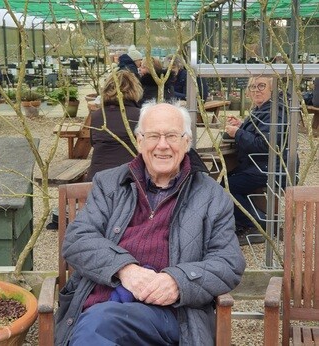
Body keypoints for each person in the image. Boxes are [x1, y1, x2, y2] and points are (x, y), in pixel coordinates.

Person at [55, 101, 246, 346]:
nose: (162, 145)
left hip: (170, 315)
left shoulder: (210, 196)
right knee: (99, 321)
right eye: (153, 135)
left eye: (172, 136)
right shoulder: (110, 183)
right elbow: (78, 239)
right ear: (139, 141)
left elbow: (228, 263)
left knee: (99, 323)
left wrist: (178, 281)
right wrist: (126, 270)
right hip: (101, 301)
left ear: (187, 142)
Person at [224, 76, 293, 244]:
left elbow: (265, 144)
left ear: (272, 90)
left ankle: (258, 225)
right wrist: (242, 125)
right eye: (253, 87)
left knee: (226, 187)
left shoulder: (275, 112)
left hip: (271, 168)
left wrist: (237, 133)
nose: (256, 90)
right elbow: (260, 132)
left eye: (261, 86)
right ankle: (250, 221)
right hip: (259, 165)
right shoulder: (263, 108)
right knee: (226, 179)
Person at [86, 70, 143, 181]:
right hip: (128, 178)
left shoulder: (97, 115)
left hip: (96, 178)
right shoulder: (140, 115)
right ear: (134, 89)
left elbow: (93, 143)